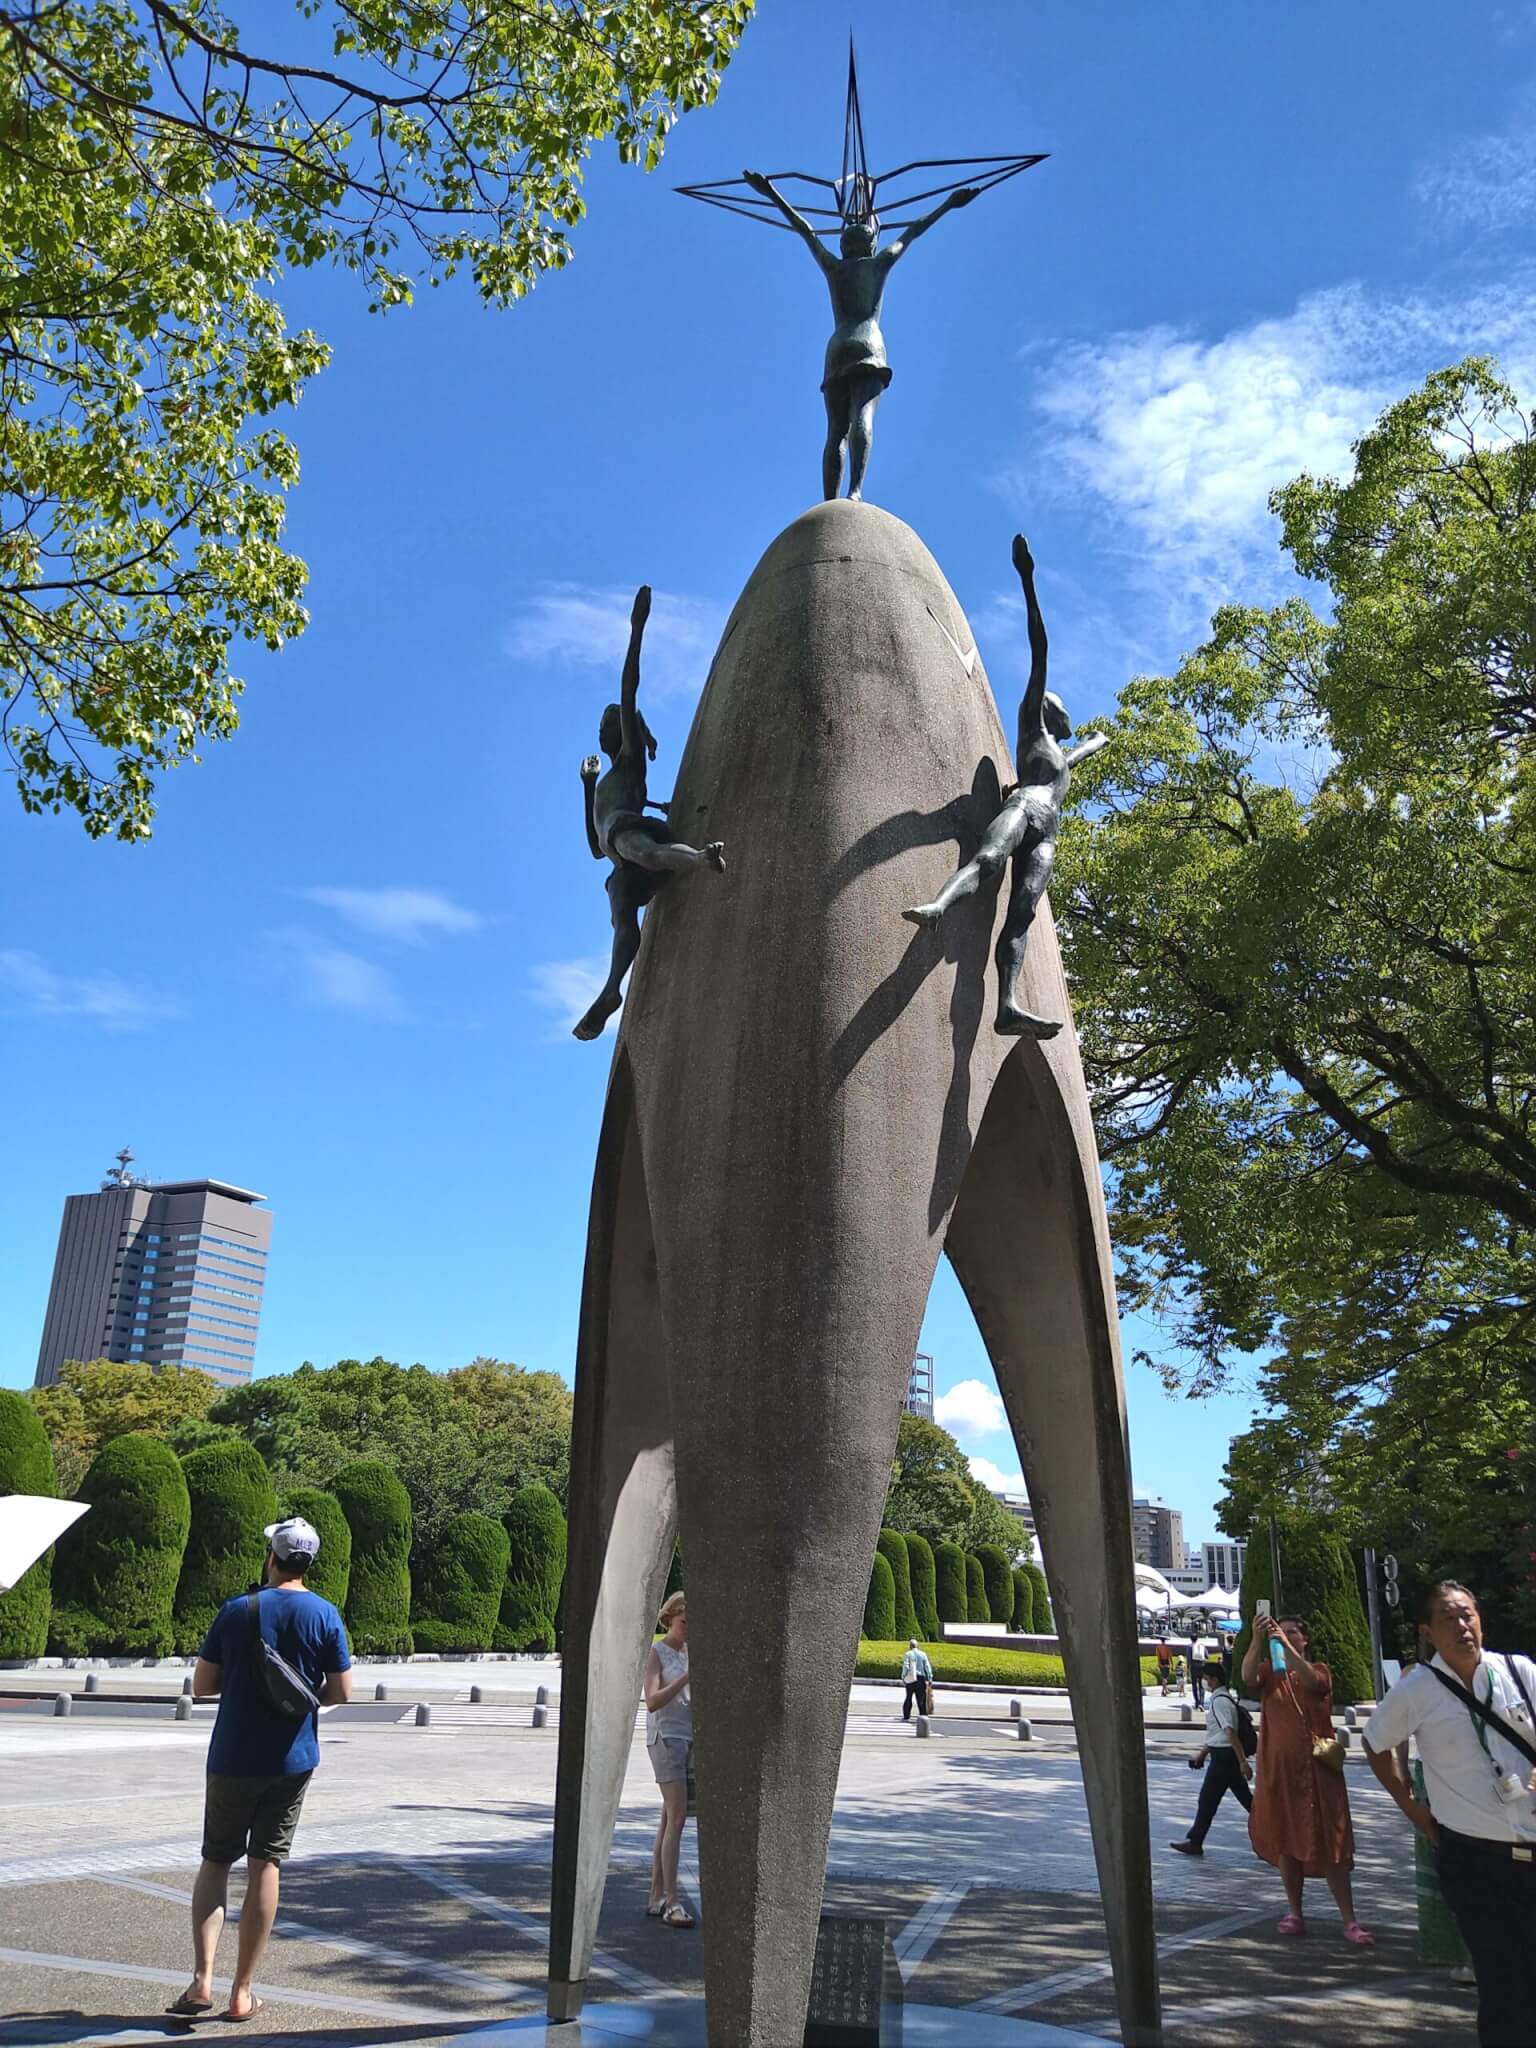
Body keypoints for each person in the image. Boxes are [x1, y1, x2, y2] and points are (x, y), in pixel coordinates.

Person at [902, 534, 1110, 1036]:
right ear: (1047, 710)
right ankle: (939, 906)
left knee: (1022, 915)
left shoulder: (1058, 755)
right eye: (1061, 707)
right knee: (989, 860)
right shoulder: (1032, 725)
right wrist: (1027, 579)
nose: (1066, 713)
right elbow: (1040, 647)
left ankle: (1008, 1005)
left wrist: (1098, 742)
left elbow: (1078, 754)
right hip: (1025, 806)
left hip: (1048, 832)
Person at [167, 1516, 352, 2024]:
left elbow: (203, 1685)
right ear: (308, 1563)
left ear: (272, 1557)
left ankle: (201, 1980)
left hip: (233, 1756)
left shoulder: (237, 1610)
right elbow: (341, 1690)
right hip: (293, 1759)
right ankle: (242, 1992)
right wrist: (298, 1695)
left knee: (216, 1861)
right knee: (265, 1864)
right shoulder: (325, 1614)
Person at [1363, 1581, 1536, 2045]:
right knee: (1503, 1982)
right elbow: (1374, 1743)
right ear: (1428, 1632)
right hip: (1473, 1859)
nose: (1462, 1626)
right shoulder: (1417, 1689)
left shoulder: (1518, 1671)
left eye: (1468, 1615)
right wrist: (1412, 1809)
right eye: (1448, 1618)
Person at [741, 168, 977, 501]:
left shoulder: (834, 268)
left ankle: (829, 501)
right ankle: (854, 491)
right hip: (868, 345)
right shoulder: (880, 264)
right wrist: (949, 204)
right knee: (862, 416)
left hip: (838, 347)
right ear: (871, 243)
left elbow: (805, 229)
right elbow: (912, 232)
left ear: (844, 245)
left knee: (835, 431)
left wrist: (771, 193)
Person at [574, 585, 725, 1041]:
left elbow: (628, 689)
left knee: (648, 852)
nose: (603, 730)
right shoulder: (603, 783)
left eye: (609, 723)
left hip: (631, 834)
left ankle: (698, 857)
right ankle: (611, 990)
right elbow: (594, 848)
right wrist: (586, 787)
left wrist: (636, 630)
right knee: (623, 919)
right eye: (602, 725)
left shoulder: (629, 762)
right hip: (617, 857)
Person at [1243, 1614, 1373, 1945]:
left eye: (1292, 1633)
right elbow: (1246, 1677)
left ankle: (1350, 1920)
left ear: (1305, 1639)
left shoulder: (1318, 1670)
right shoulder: (1270, 1674)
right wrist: (1257, 1640)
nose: (1285, 1636)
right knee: (1287, 1842)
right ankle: (1295, 1912)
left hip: (1319, 1774)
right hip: (1282, 1775)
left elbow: (1315, 1684)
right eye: (1281, 1632)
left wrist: (1284, 1646)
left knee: (1333, 1843)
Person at [643, 1591, 695, 1929]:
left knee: (668, 1819)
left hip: (688, 1737)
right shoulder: (657, 1652)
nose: (688, 1629)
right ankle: (672, 1901)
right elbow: (652, 1701)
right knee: (677, 1817)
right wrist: (686, 1677)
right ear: (670, 1618)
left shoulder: (690, 1652)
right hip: (665, 1737)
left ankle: (656, 1895)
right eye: (684, 1622)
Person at [1170, 1662, 1253, 1856]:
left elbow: (1230, 1732)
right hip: (1224, 1756)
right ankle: (1275, 1830)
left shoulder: (1220, 1701)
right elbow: (1218, 1735)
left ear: (1215, 1680)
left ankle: (1195, 1842)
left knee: (1207, 1800)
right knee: (1246, 1800)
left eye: (1206, 1679)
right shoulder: (1222, 1698)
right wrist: (1203, 1754)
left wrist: (1243, 1762)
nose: (1204, 1682)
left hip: (1224, 1759)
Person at [900, 1638, 934, 1721]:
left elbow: (906, 1666)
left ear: (910, 1646)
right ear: (917, 1646)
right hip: (920, 1678)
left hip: (911, 1678)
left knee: (908, 1697)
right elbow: (927, 1667)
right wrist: (930, 1678)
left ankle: (906, 1715)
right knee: (921, 1698)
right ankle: (923, 1715)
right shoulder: (923, 1654)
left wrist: (903, 1677)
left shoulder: (908, 1654)